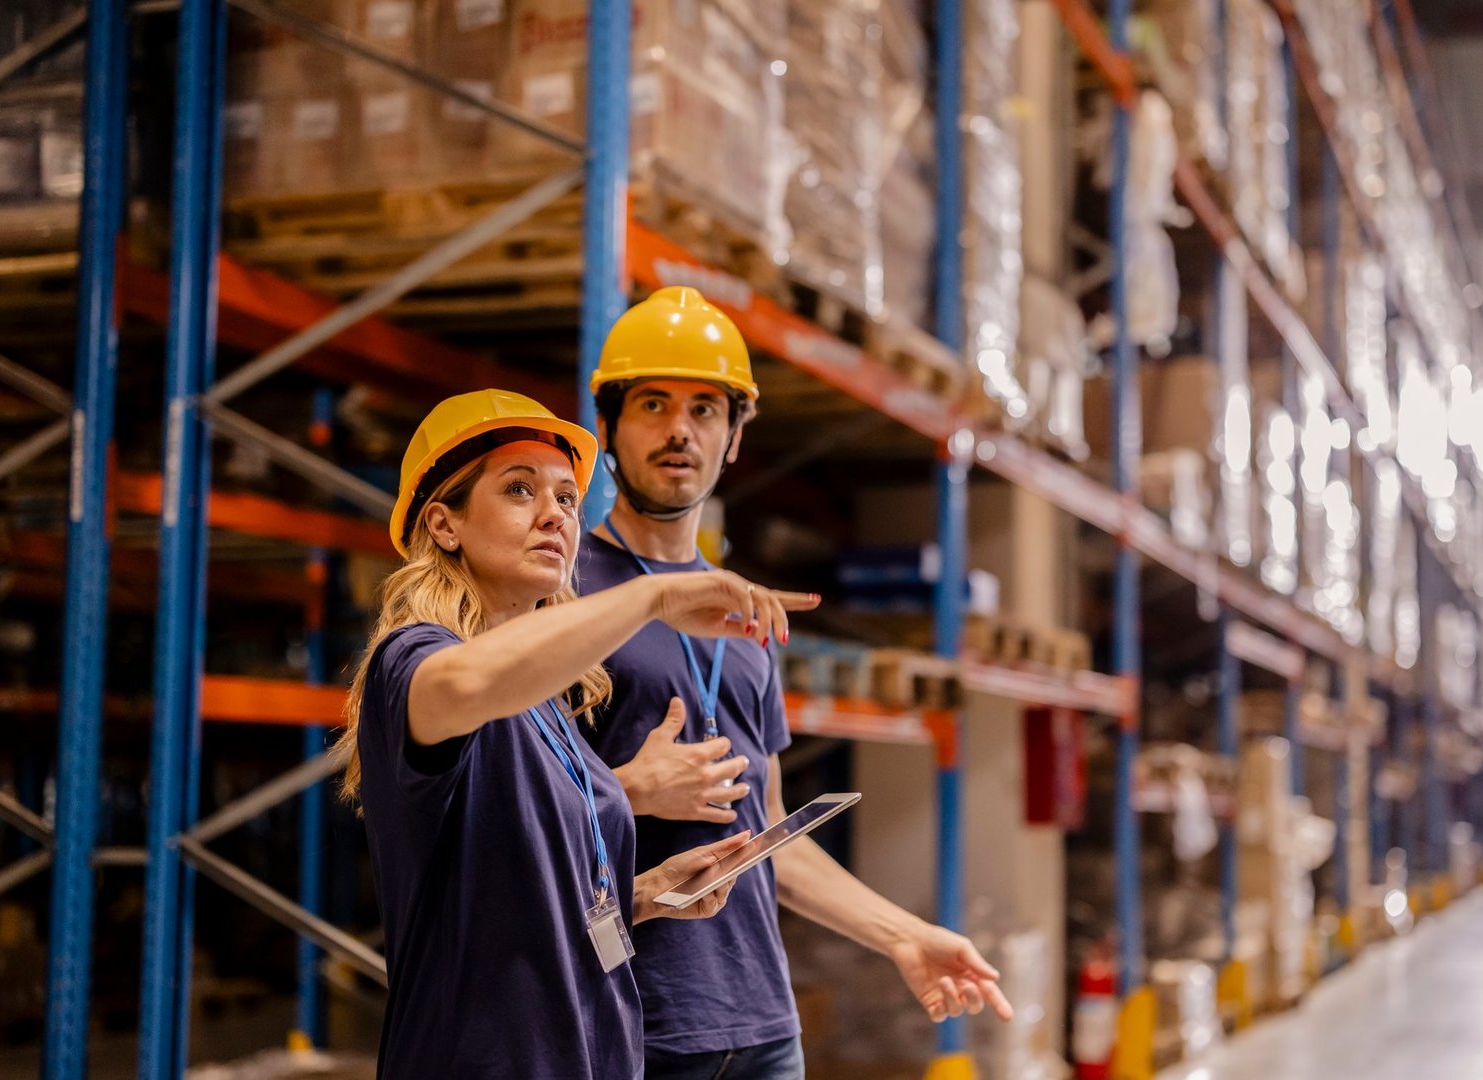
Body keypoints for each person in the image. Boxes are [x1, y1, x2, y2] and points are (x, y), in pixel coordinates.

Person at [576, 288, 1015, 1080]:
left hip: (762, 1029)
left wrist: (901, 935)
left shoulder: (744, 618)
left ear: (734, 438)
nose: (680, 429)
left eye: (706, 409)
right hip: (630, 1030)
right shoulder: (562, 595)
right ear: (607, 425)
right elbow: (501, 816)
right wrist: (624, 789)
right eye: (652, 404)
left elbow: (769, 834)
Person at [335, 389, 814, 1079]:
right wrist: (655, 595)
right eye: (520, 489)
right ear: (443, 524)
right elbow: (469, 683)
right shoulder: (411, 663)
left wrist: (646, 894)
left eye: (565, 498)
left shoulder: (547, 706)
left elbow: (528, 903)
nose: (554, 515)